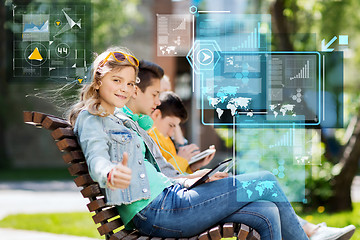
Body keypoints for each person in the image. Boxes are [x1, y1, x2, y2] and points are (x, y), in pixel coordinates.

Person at [69, 47, 311, 240]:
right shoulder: (92, 117)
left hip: (171, 198)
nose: (125, 89)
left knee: (265, 212)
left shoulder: (122, 120)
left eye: (130, 83)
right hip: (160, 210)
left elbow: (157, 172)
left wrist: (193, 179)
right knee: (265, 181)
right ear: (98, 80)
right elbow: (96, 157)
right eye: (117, 80)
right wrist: (110, 173)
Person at [157, 74, 356, 240]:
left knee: (267, 209)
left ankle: (311, 231)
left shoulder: (160, 135)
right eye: (157, 94)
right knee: (266, 181)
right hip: (178, 205)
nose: (162, 98)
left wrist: (194, 167)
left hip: (184, 198)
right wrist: (190, 168)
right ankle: (311, 233)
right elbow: (168, 177)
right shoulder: (149, 135)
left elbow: (172, 172)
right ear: (156, 113)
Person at [124, 60, 215, 172]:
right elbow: (162, 174)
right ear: (135, 91)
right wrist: (184, 165)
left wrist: (193, 169)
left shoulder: (147, 129)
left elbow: (166, 176)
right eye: (155, 94)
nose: (159, 102)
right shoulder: (137, 131)